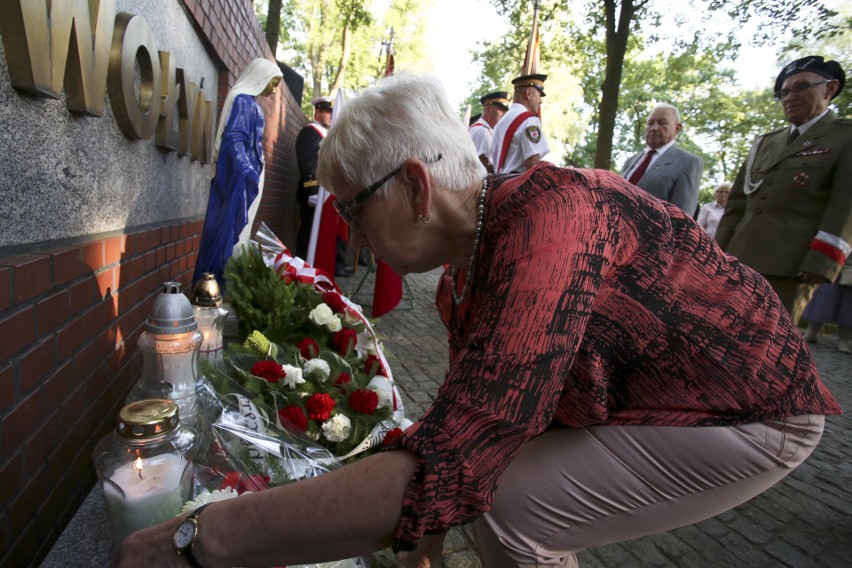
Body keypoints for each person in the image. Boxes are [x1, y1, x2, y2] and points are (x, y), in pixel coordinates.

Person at [115, 73, 840, 568]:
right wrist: (419, 527)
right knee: (507, 499)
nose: (353, 238)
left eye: (351, 210)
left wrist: (196, 539)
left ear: (415, 185)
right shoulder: (468, 270)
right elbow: (460, 424)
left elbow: (462, 461)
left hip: (751, 410)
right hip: (646, 399)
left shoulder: (553, 224)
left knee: (508, 506)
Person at [716, 55, 852, 324]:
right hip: (738, 259)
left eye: (801, 87)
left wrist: (821, 262)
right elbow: (737, 207)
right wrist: (716, 255)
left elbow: (845, 206)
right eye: (784, 92)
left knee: (768, 345)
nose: (790, 97)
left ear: (829, 88)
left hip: (791, 266)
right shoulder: (766, 143)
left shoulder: (844, 138)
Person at [192, 59, 283, 286]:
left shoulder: (252, 103)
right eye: (273, 83)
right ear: (260, 78)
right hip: (240, 180)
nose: (273, 90)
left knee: (241, 232)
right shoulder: (243, 101)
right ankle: (217, 285)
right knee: (230, 232)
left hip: (249, 179)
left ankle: (225, 284)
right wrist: (247, 170)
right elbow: (234, 140)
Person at [294, 95, 352, 276]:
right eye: (326, 111)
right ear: (317, 112)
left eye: (332, 112)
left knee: (323, 235)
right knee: (309, 232)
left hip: (326, 196)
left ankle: (319, 268)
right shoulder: (309, 132)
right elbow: (308, 163)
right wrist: (312, 190)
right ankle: (301, 267)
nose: (330, 115)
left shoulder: (328, 135)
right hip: (314, 194)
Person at [620, 103, 704, 215]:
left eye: (662, 123)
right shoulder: (631, 161)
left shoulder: (688, 162)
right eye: (650, 123)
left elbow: (682, 217)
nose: (654, 128)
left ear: (677, 128)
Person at [490, 73, 550, 173]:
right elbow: (532, 162)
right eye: (539, 95)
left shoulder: (501, 122)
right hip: (520, 184)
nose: (540, 101)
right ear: (529, 93)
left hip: (501, 183)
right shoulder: (529, 120)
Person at [803, 256, 852, 354]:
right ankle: (812, 332)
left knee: (848, 305)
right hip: (837, 259)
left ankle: (843, 340)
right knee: (823, 298)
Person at [469, 91, 510, 173]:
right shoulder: (482, 131)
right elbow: (485, 163)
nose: (504, 114)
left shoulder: (482, 129)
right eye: (501, 110)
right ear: (488, 109)